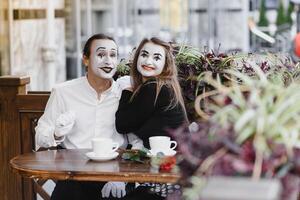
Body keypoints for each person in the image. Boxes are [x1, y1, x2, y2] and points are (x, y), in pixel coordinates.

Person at [35, 33, 141, 200]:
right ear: (85, 59)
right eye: (101, 54)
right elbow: (40, 135)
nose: (108, 61)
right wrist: (56, 133)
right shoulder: (63, 92)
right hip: (72, 176)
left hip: (114, 175)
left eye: (113, 55)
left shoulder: (125, 93)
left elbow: (137, 141)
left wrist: (123, 176)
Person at [115, 37, 187, 199]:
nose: (148, 61)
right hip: (170, 176)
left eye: (157, 57)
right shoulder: (165, 86)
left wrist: (127, 90)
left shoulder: (153, 87)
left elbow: (122, 124)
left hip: (167, 182)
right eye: (144, 55)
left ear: (165, 65)